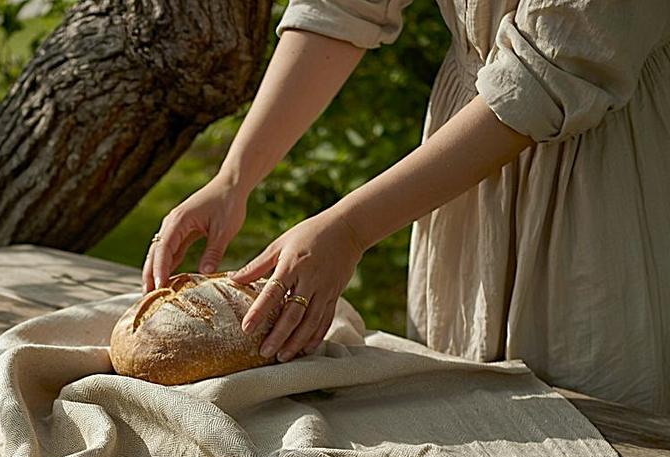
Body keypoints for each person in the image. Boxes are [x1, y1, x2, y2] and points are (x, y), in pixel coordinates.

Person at [141, 0, 670, 415]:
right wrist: (234, 178)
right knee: (459, 412)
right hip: (456, 162)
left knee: (599, 416)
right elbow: (343, 8)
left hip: (603, 163)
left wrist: (348, 230)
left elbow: (551, 69)